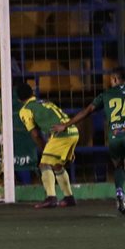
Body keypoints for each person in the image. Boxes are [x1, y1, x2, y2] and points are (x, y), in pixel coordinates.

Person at [53, 68, 125, 219]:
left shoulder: (106, 95)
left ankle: (119, 191)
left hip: (115, 136)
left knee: (119, 166)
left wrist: (66, 125)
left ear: (115, 79)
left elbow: (87, 111)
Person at [16, 81, 79, 209]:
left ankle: (51, 198)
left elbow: (35, 134)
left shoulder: (25, 109)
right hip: (73, 131)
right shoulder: (45, 102)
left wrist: (44, 148)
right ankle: (69, 198)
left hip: (61, 135)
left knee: (44, 164)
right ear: (33, 93)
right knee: (57, 165)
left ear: (18, 99)